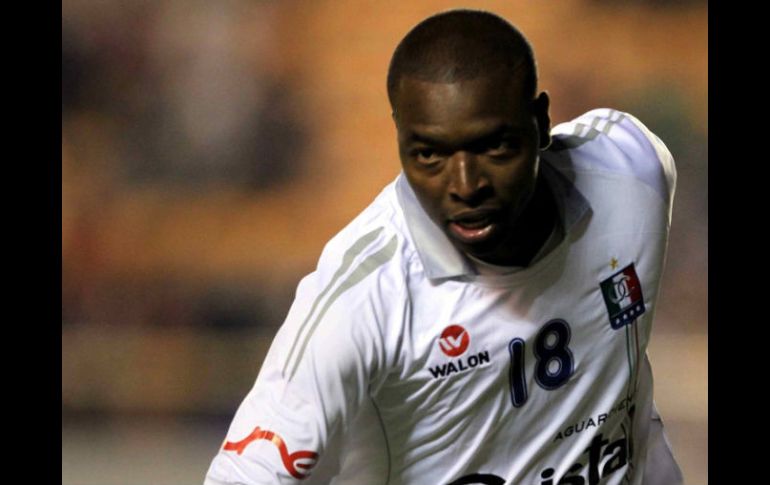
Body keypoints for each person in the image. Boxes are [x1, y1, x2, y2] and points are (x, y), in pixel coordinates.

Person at [204, 9, 683, 485]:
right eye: (429, 154)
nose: (465, 184)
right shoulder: (364, 296)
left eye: (493, 147)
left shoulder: (633, 173)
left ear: (539, 123)